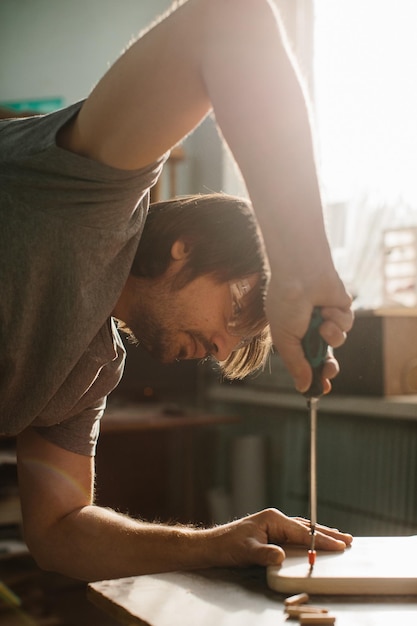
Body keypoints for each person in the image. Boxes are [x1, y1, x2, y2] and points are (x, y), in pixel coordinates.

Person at [0, 0, 353, 582]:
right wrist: (300, 262)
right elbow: (227, 18)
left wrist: (217, 543)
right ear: (184, 245)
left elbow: (58, 530)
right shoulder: (94, 202)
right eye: (238, 308)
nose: (219, 348)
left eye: (235, 343)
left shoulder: (88, 370)